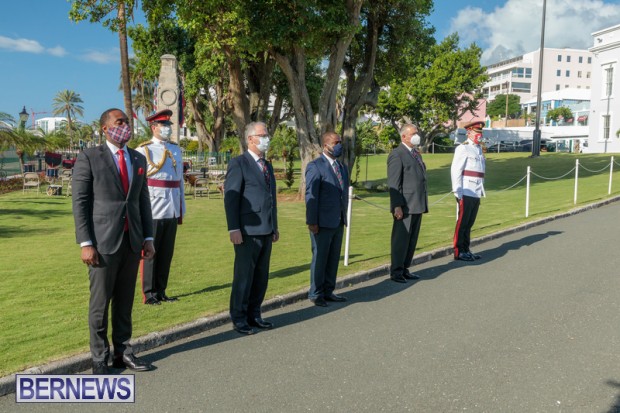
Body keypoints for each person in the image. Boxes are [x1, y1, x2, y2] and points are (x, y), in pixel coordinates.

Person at [72, 108, 155, 374]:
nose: (125, 127)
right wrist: (86, 242)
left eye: (127, 122)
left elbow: (142, 200)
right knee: (100, 303)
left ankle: (123, 351)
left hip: (132, 242)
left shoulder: (138, 158)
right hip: (102, 244)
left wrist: (149, 237)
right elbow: (80, 202)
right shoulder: (89, 157)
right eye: (120, 122)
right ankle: (99, 358)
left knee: (125, 301)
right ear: (105, 128)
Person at [224, 121, 279, 335]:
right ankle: (239, 318)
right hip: (247, 230)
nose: (266, 138)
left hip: (266, 229)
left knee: (261, 276)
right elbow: (231, 198)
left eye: (267, 134)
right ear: (250, 139)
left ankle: (255, 314)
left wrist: (274, 226)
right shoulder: (239, 163)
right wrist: (233, 228)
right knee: (244, 276)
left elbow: (271, 198)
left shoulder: (267, 165)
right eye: (262, 135)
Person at [135, 109, 186, 305]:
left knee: (166, 252)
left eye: (169, 126)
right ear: (153, 127)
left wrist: (181, 207)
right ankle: (149, 293)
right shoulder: (143, 150)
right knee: (150, 252)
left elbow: (179, 180)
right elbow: (140, 184)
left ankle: (162, 290)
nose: (167, 129)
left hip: (172, 205)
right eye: (164, 126)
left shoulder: (175, 149)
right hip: (153, 207)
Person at [305, 131, 350, 307]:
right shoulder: (315, 166)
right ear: (326, 145)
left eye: (340, 142)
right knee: (320, 257)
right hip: (321, 223)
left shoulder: (342, 167)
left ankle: (329, 290)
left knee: (333, 258)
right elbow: (311, 196)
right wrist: (312, 221)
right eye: (335, 142)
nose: (339, 145)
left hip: (338, 220)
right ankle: (316, 293)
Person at [387, 124, 428, 283]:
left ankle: (405, 268)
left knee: (411, 240)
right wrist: (396, 205)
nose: (416, 135)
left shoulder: (415, 153)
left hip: (417, 203)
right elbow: (394, 183)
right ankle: (396, 271)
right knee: (401, 240)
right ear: (404, 136)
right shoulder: (397, 154)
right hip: (404, 205)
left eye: (416, 133)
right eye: (413, 133)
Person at [451, 120, 486, 261]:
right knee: (462, 222)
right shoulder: (463, 148)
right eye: (476, 132)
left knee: (470, 222)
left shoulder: (478, 149)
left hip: (476, 190)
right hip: (465, 189)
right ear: (469, 133)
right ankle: (459, 250)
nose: (479, 135)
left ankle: (466, 248)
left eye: (480, 133)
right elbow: (456, 170)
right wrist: (457, 190)